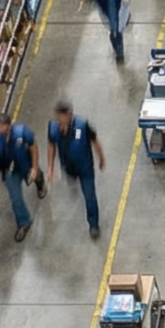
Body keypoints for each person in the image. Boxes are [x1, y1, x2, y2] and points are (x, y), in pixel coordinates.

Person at [47, 100, 106, 238]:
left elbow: (95, 141)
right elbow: (51, 145)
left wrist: (101, 158)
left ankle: (93, 224)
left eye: (60, 116)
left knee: (89, 196)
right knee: (71, 179)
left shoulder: (83, 125)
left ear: (69, 114)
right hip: (68, 167)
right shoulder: (53, 127)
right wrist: (50, 166)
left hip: (85, 168)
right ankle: (72, 179)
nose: (57, 119)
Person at [0, 110, 45, 242]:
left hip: (25, 164)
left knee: (34, 177)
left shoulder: (22, 132)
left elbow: (33, 145)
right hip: (10, 171)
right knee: (15, 198)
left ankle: (40, 183)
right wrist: (0, 171)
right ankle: (24, 222)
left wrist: (34, 168)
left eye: (1, 126)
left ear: (8, 125)